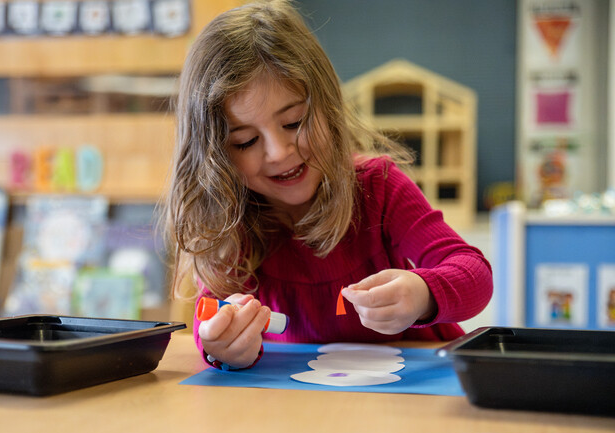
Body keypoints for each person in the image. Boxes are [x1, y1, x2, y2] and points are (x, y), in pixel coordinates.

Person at [162, 0, 492, 370]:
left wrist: (423, 294)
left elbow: (473, 273)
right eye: (245, 141)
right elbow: (210, 321)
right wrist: (223, 346)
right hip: (303, 411)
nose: (278, 152)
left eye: (293, 122)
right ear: (215, 156)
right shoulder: (230, 219)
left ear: (328, 106)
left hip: (415, 396)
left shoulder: (378, 187)